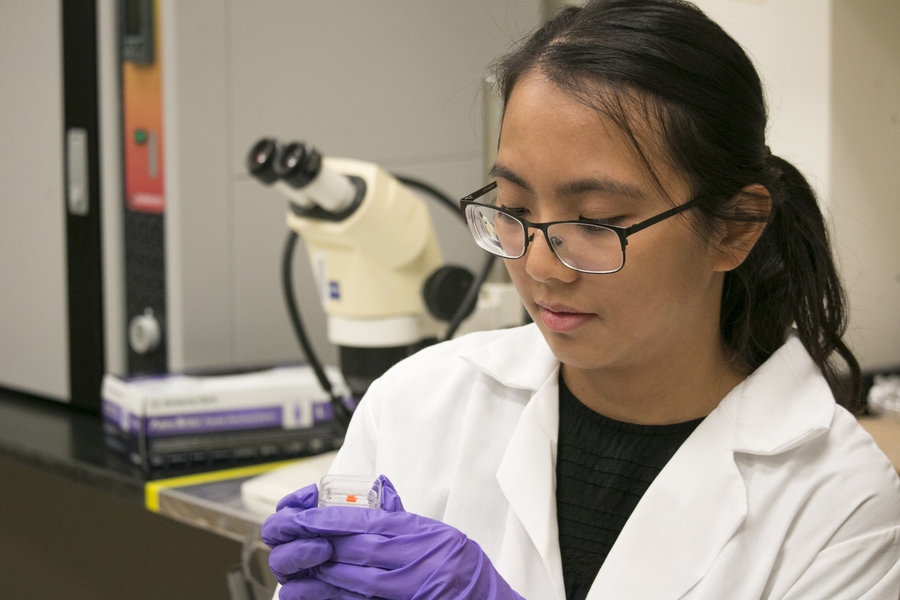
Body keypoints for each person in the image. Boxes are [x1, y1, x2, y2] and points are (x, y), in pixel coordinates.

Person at [262, 1, 900, 598]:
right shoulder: (419, 406)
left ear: (733, 226)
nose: (539, 265)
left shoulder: (840, 502)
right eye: (513, 209)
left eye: (596, 223)